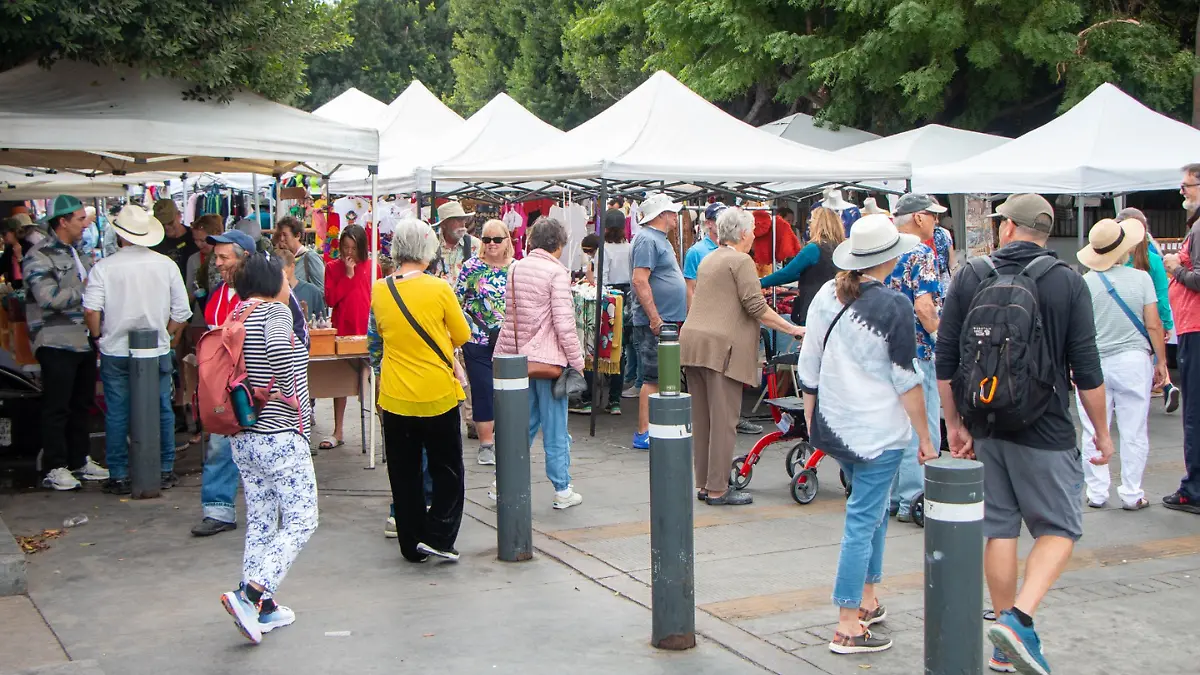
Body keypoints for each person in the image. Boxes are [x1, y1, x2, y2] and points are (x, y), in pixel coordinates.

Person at [937, 193, 1111, 675]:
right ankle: (1018, 621)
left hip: (986, 423)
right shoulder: (1067, 282)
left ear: (1009, 228)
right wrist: (1102, 432)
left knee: (999, 526)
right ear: (1045, 231)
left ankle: (1003, 641)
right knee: (1059, 527)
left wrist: (955, 425)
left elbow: (946, 359)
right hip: (1045, 424)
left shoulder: (971, 275)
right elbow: (1087, 370)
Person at [797, 214, 936, 655]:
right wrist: (926, 438)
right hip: (878, 432)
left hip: (837, 426)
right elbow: (906, 378)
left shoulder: (826, 294)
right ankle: (846, 623)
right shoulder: (893, 304)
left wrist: (812, 418)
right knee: (863, 519)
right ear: (890, 258)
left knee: (870, 513)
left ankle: (868, 600)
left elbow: (809, 362)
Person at [218, 253, 316, 645]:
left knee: (261, 519)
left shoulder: (237, 312)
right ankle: (251, 593)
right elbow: (279, 352)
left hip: (245, 435)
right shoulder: (274, 312)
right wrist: (285, 390)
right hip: (279, 432)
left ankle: (264, 605)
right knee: (301, 519)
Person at [682, 207, 804, 506]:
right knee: (724, 420)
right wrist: (793, 329)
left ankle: (705, 483)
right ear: (742, 233)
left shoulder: (710, 258)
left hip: (694, 343)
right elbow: (756, 306)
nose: (753, 236)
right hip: (721, 348)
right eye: (751, 231)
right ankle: (718, 489)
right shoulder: (740, 261)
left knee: (703, 419)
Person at [371, 218, 470, 562]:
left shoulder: (380, 289)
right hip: (436, 392)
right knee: (448, 470)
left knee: (404, 472)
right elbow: (462, 335)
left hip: (396, 394)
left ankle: (411, 543)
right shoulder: (439, 288)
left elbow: (381, 333)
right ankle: (440, 535)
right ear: (429, 249)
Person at [83, 205, 191, 494]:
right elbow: (182, 312)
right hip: (156, 348)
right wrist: (167, 336)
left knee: (118, 412)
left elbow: (91, 310)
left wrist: (97, 337)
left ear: (120, 236)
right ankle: (165, 467)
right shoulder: (165, 265)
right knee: (161, 408)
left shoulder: (104, 267)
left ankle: (119, 473)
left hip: (115, 349)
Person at [1076, 217, 1168, 511]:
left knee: (1092, 427)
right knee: (1134, 428)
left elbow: (1077, 329)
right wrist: (1161, 361)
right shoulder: (1141, 279)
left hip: (1093, 362)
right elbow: (1153, 324)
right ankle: (1131, 492)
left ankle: (1097, 491)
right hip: (1133, 360)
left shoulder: (1084, 283)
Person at [495, 216, 586, 509]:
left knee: (524, 423)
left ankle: (502, 480)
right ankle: (562, 488)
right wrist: (577, 361)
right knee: (555, 425)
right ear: (557, 244)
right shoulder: (556, 274)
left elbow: (511, 315)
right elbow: (564, 323)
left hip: (519, 359)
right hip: (549, 360)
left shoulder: (516, 268)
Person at [24, 195, 108, 490]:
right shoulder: (39, 255)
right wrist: (86, 288)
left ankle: (79, 459)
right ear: (62, 221)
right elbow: (47, 298)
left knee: (81, 403)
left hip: (82, 338)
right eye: (79, 219)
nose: (86, 225)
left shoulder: (79, 252)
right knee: (57, 405)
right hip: (55, 339)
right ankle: (56, 465)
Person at [883, 194, 945, 523]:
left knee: (895, 425)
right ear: (919, 218)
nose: (937, 223)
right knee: (922, 425)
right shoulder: (920, 252)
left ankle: (895, 496)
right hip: (918, 350)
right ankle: (913, 497)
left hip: (885, 348)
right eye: (934, 217)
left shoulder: (884, 248)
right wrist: (941, 337)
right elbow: (924, 307)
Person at [191, 229, 254, 537]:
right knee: (219, 442)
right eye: (216, 257)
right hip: (221, 382)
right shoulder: (220, 293)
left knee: (260, 445)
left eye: (223, 257)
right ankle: (218, 509)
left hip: (250, 382)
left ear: (244, 259)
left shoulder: (259, 292)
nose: (216, 263)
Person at [629, 193, 688, 450]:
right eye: (672, 212)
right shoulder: (647, 239)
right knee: (653, 376)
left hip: (664, 318)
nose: (675, 216)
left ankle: (651, 428)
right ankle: (644, 431)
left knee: (657, 375)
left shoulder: (655, 239)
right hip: (657, 320)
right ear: (662, 215)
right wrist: (655, 318)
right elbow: (640, 280)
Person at [455, 219, 513, 466]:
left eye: (497, 239)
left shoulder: (516, 268)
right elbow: (456, 301)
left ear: (506, 241)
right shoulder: (471, 267)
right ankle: (486, 444)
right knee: (482, 390)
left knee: (509, 391)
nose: (491, 244)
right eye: (487, 239)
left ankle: (510, 440)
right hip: (477, 338)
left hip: (509, 340)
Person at [321, 223, 381, 450]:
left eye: (353, 248)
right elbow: (330, 299)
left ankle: (384, 427)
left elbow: (376, 297)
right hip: (344, 329)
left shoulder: (372, 267)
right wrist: (347, 275)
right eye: (345, 247)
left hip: (367, 329)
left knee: (375, 380)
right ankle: (338, 429)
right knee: (341, 382)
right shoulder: (332, 267)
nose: (349, 253)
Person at [1163, 163, 1200, 514]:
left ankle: (1195, 488)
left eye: (1187, 185)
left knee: (1194, 412)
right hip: (1191, 327)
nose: (1182, 191)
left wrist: (1176, 268)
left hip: (1195, 328)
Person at [1118, 207, 1180, 412]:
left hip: (1117, 324)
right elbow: (1162, 296)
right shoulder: (1153, 259)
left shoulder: (1110, 259)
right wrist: (1167, 324)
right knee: (1145, 366)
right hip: (1146, 323)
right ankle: (1163, 385)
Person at [760, 206, 845, 326]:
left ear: (820, 224)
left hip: (815, 308)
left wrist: (760, 282)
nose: (809, 225)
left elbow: (788, 273)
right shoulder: (841, 248)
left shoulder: (814, 248)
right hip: (838, 310)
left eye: (812, 221)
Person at [683, 202, 724, 308]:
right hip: (706, 313)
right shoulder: (695, 252)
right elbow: (690, 289)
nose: (724, 224)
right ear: (708, 223)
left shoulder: (734, 248)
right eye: (719, 220)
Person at [151, 198, 199, 281]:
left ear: (179, 215)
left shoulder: (195, 237)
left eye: (170, 222)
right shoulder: (154, 243)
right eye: (162, 224)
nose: (166, 227)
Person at [273, 216, 324, 292]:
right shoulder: (280, 257)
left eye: (285, 235)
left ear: (297, 236)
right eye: (279, 235)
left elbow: (320, 291)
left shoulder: (310, 257)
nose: (281, 239)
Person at [278, 248, 326, 321]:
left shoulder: (313, 292)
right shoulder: (269, 293)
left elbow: (322, 325)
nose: (278, 276)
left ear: (292, 267)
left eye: (283, 271)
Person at [0, 215, 35, 289]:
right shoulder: (9, 250)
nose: (3, 237)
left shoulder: (29, 247)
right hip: (16, 291)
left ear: (14, 232)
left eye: (4, 233)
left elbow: (32, 271)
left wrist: (20, 257)